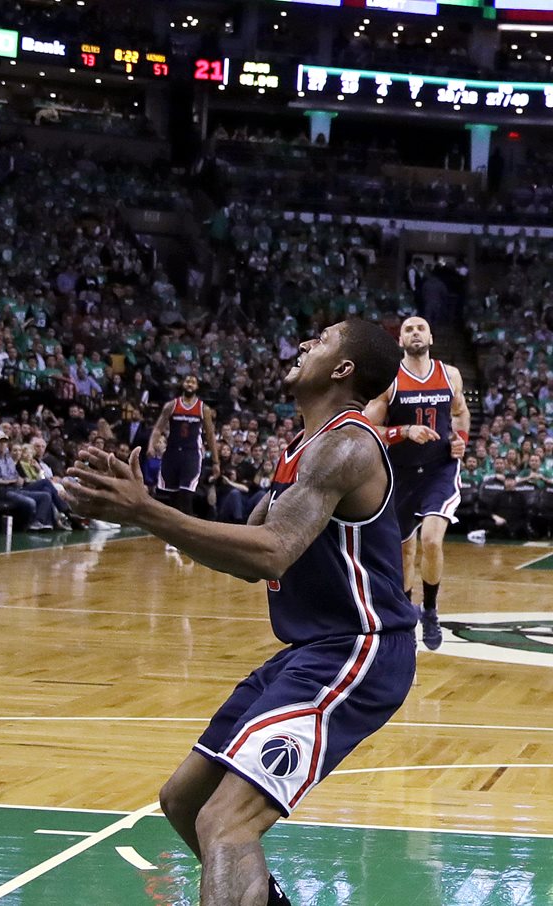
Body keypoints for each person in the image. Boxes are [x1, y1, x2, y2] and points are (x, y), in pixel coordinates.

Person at [65, 321, 416, 906]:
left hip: (360, 649)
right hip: (310, 650)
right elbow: (249, 558)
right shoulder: (301, 450)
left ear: (343, 369)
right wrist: (139, 513)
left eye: (323, 340)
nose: (306, 343)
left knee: (225, 822)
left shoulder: (347, 444)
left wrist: (146, 509)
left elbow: (275, 547)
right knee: (185, 801)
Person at [364, 316, 470, 651]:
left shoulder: (449, 374)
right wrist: (404, 431)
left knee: (432, 540)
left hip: (439, 468)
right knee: (404, 551)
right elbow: (367, 428)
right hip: (400, 473)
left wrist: (461, 438)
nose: (414, 333)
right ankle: (405, 613)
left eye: (420, 327)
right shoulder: (390, 380)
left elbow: (460, 412)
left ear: (431, 337)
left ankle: (431, 611)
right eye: (408, 329)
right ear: (401, 342)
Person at [149, 374, 221, 549]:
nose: (189, 384)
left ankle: (186, 539)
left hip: (191, 455)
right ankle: (173, 537)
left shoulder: (203, 408)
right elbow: (159, 427)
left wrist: (216, 462)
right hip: (172, 454)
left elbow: (210, 435)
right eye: (187, 381)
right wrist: (151, 445)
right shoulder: (171, 405)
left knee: (186, 496)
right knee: (173, 497)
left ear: (197, 386)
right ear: (183, 384)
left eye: (193, 382)